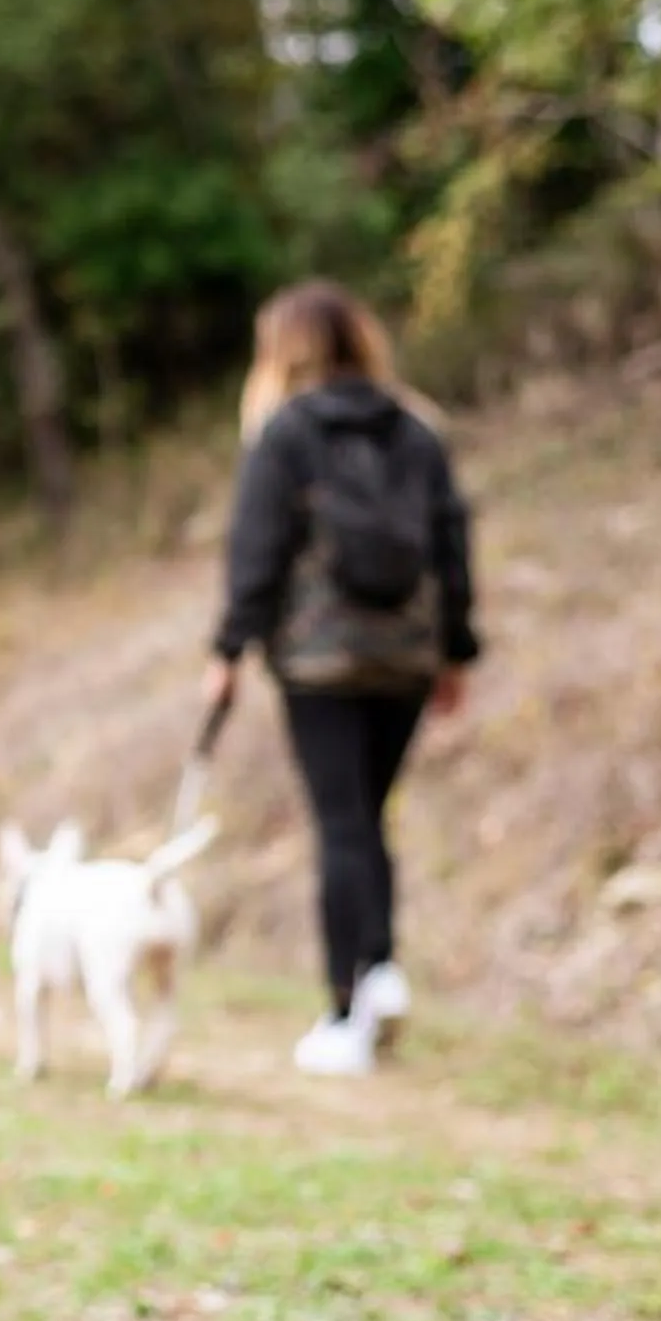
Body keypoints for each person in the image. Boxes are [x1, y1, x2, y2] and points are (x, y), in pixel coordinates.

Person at [203, 280, 479, 1077]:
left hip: (320, 657)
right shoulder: (418, 428)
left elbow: (255, 552)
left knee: (342, 823)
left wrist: (227, 651)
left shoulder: (283, 434)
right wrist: (455, 650)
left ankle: (343, 1012)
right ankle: (383, 970)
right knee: (370, 815)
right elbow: (452, 543)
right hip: (407, 653)